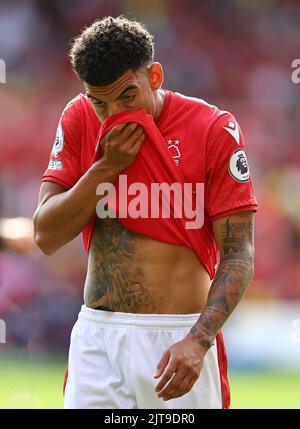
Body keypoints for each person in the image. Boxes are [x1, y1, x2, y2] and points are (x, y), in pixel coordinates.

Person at [33, 16, 257, 409]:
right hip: (99, 340)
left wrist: (199, 339)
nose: (114, 113)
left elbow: (239, 252)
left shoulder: (213, 128)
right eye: (100, 101)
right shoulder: (79, 117)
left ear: (154, 75)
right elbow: (45, 236)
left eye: (127, 97)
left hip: (178, 340)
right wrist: (104, 168)